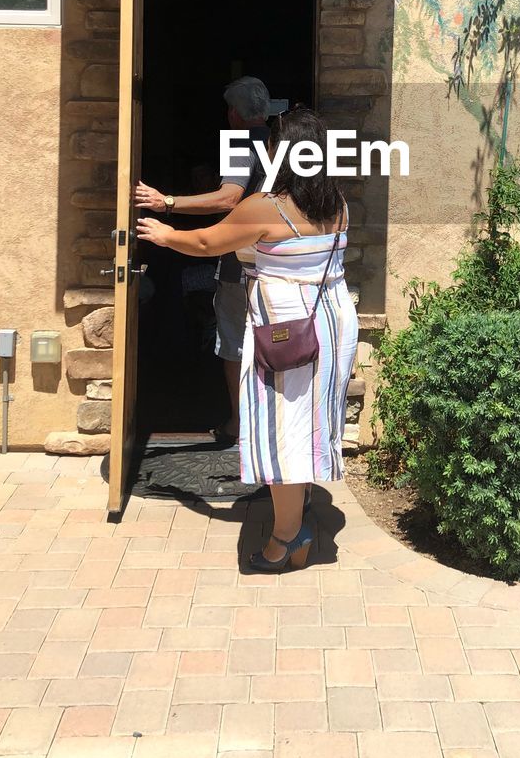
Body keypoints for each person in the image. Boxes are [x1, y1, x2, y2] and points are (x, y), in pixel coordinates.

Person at [137, 107, 356, 573]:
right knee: (310, 422)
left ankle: (287, 535)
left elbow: (204, 244)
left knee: (283, 429)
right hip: (332, 325)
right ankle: (300, 511)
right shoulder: (335, 200)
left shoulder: (267, 206)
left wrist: (163, 232)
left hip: (287, 331)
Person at [135, 76, 272, 444]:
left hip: (240, 264)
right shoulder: (281, 144)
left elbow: (229, 198)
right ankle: (269, 427)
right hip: (277, 261)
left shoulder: (241, 143)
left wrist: (168, 202)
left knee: (235, 343)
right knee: (274, 345)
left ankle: (239, 424)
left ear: (233, 112)